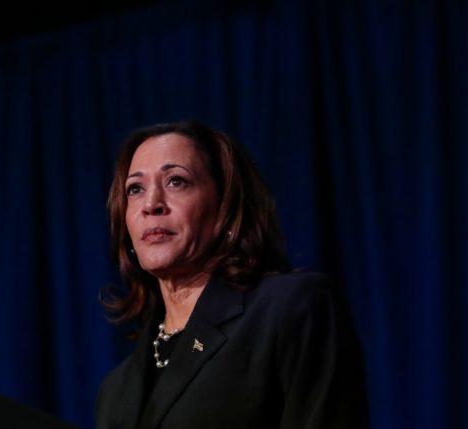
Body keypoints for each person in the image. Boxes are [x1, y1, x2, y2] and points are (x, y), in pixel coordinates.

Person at [95, 120, 368, 428]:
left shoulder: (291, 309)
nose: (151, 204)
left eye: (176, 181)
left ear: (225, 204)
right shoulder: (114, 391)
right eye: (135, 189)